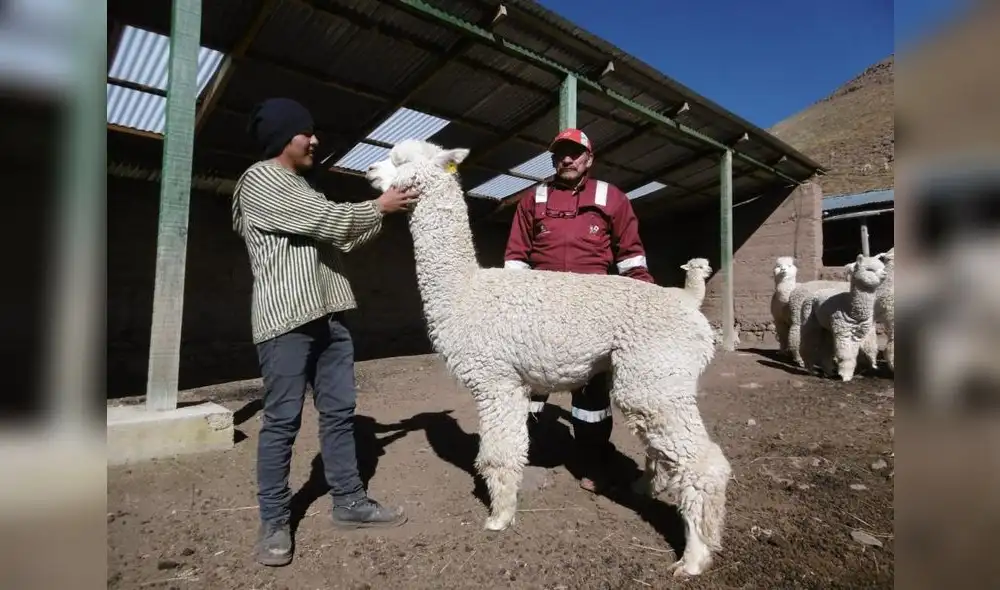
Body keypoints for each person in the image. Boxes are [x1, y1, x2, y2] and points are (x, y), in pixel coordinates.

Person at [232, 97, 420, 567]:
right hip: (287, 319)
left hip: (330, 315)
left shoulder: (304, 187)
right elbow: (328, 221)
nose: (315, 140)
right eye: (306, 132)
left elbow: (345, 236)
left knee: (339, 413)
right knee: (281, 421)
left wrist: (382, 210)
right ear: (282, 137)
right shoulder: (261, 180)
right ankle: (275, 520)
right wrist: (379, 204)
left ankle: (349, 501)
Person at [502, 128, 655, 494]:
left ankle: (593, 459)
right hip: (541, 310)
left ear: (589, 158)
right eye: (560, 153)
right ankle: (527, 451)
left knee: (591, 396)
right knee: (528, 386)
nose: (567, 159)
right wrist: (512, 311)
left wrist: (648, 304)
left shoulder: (611, 197)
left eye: (575, 153)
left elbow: (631, 258)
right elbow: (515, 258)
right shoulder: (533, 199)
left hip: (593, 315)